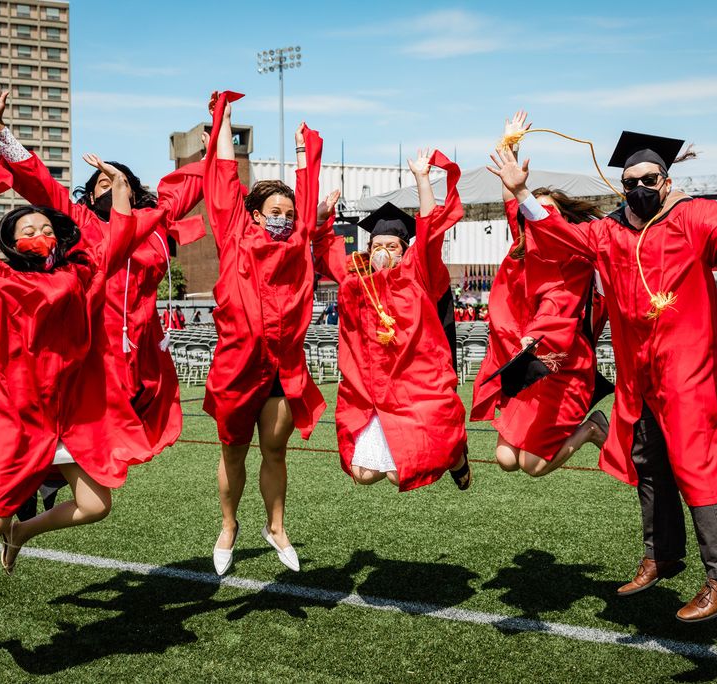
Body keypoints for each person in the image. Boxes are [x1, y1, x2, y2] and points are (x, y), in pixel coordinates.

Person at [490, 129, 717, 622]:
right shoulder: (610, 231)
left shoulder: (692, 216)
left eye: (649, 179)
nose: (640, 187)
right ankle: (661, 554)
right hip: (638, 371)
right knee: (647, 459)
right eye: (631, 182)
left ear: (666, 181)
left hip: (685, 366)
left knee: (692, 461)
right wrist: (518, 193)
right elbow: (563, 235)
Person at [0, 157, 159, 575]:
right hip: (15, 417)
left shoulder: (81, 272)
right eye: (28, 231)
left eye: (46, 228)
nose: (40, 234)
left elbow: (118, 241)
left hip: (69, 416)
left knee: (95, 505)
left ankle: (24, 532)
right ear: (11, 242)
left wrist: (120, 190)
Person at [0, 79, 207, 468]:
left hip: (143, 344)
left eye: (117, 181)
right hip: (94, 341)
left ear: (131, 191)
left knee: (136, 431)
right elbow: (39, 183)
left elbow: (197, 183)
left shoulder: (153, 223)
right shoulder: (79, 219)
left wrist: (216, 136)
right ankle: (39, 478)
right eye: (101, 180)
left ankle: (55, 479)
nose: (109, 185)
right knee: (74, 429)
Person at [201, 91, 329, 576]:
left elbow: (309, 197)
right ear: (255, 214)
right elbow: (223, 182)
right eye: (273, 210)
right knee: (233, 451)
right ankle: (230, 525)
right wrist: (223, 121)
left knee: (275, 450)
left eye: (288, 212)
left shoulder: (297, 243)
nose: (283, 217)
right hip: (237, 366)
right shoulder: (234, 235)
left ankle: (275, 527)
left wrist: (303, 155)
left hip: (282, 367)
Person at [312, 149, 471, 493]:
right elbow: (323, 246)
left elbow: (430, 229)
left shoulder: (417, 272)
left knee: (404, 474)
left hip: (415, 387)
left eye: (392, 246)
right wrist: (321, 216)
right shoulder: (357, 277)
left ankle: (457, 453)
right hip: (372, 390)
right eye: (377, 245)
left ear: (404, 249)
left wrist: (422, 179)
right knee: (361, 473)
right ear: (368, 248)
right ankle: (447, 450)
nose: (383, 252)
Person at [473, 111, 609, 478]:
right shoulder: (525, 251)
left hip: (564, 366)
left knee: (533, 466)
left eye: (546, 212)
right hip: (529, 366)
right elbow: (512, 196)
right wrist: (510, 145)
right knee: (505, 460)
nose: (535, 217)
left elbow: (560, 309)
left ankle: (592, 428)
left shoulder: (578, 258)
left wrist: (537, 336)